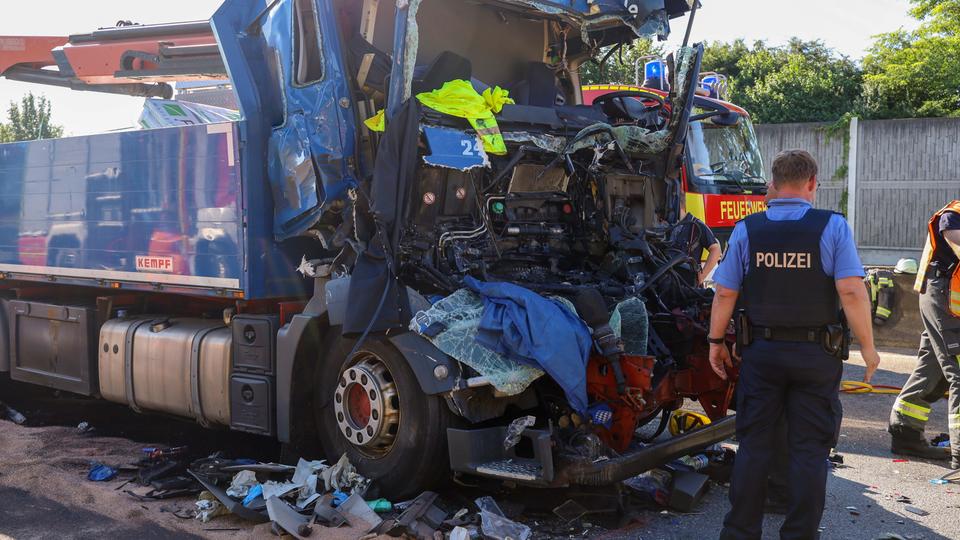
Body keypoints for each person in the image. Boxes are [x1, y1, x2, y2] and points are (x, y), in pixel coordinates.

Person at [707, 150, 881, 539]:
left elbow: (724, 293)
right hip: (815, 357)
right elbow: (851, 291)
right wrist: (868, 349)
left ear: (773, 182)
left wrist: (715, 341)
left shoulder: (747, 228)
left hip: (761, 355)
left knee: (753, 445)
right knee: (809, 450)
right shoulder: (833, 226)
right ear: (812, 184)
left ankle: (739, 533)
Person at [887, 201, 960, 467]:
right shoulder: (954, 214)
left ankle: (905, 432)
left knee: (933, 368)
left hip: (946, 302)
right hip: (944, 300)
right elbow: (955, 240)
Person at [671, 197, 723, 285]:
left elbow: (716, 250)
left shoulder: (696, 225)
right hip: (670, 281)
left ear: (676, 204)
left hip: (689, 284)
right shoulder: (667, 226)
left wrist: (701, 276)